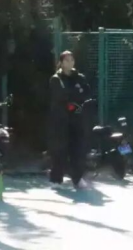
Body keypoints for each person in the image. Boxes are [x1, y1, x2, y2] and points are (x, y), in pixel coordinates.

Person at [48, 51, 91, 190]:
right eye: (66, 60)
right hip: (61, 120)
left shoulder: (80, 78)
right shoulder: (56, 79)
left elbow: (86, 93)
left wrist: (76, 98)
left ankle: (77, 179)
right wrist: (75, 95)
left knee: (78, 149)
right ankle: (56, 180)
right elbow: (62, 97)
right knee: (60, 150)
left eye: (72, 60)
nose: (70, 62)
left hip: (77, 119)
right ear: (61, 63)